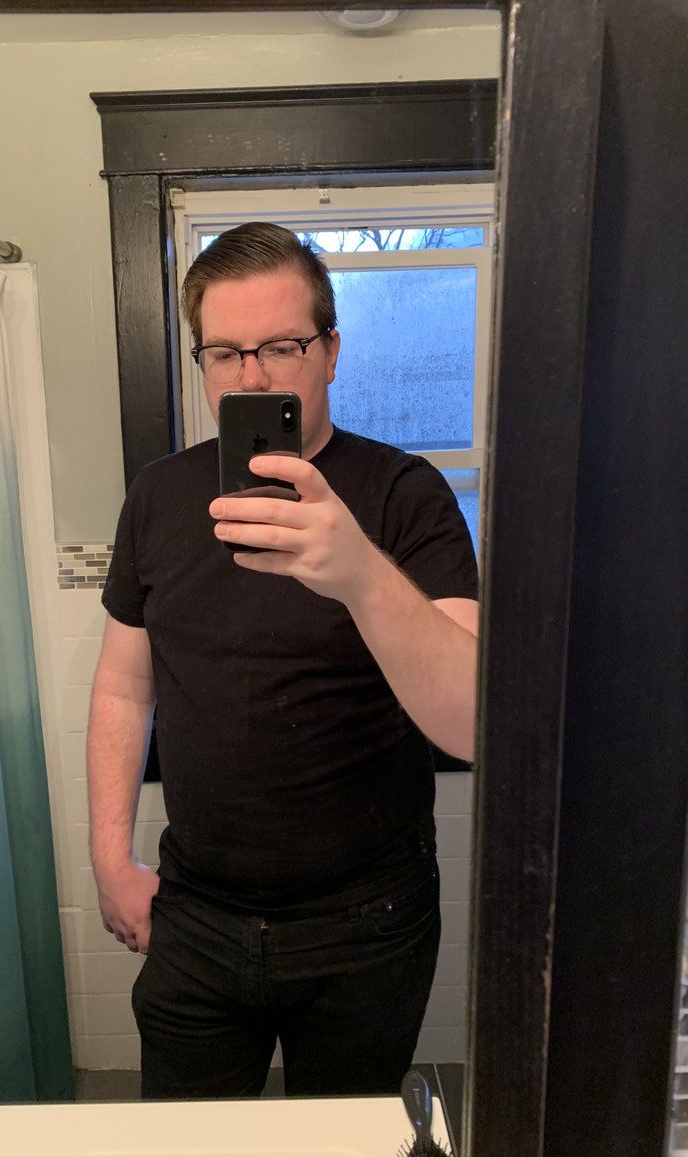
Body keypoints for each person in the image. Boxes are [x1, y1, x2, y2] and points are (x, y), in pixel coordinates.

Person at [86, 222, 479, 1100]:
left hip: (368, 921)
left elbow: (468, 724)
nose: (252, 378)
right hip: (197, 912)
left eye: (281, 347)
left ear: (330, 352)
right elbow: (122, 686)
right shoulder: (157, 496)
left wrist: (360, 573)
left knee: (339, 1150)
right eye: (224, 353)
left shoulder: (404, 495)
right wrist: (111, 859)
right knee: (187, 1156)